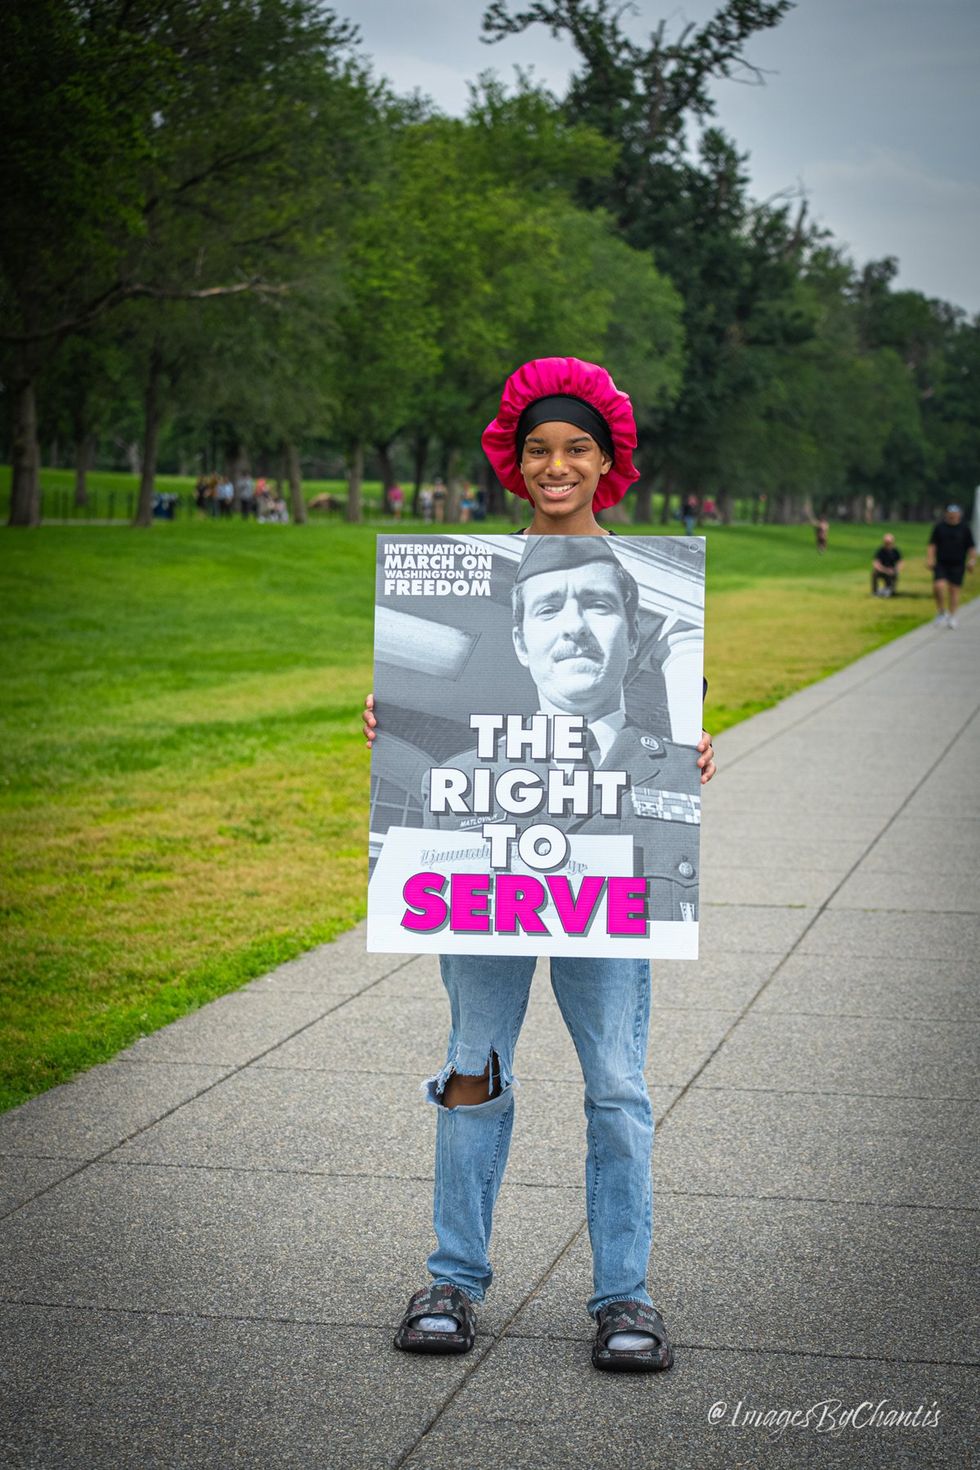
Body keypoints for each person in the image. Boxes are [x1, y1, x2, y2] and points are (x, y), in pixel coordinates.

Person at [362, 357, 716, 1374]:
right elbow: (420, 741)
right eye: (538, 451)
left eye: (575, 450)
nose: (555, 465)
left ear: (607, 462)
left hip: (609, 890)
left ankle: (624, 1296)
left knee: (615, 1082)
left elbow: (678, 728)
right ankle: (451, 1278)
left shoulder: (638, 576)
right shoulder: (477, 580)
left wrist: (690, 755)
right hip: (483, 882)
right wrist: (382, 718)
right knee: (473, 1068)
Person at [425, 535, 700, 921]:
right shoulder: (458, 780)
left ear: (634, 635)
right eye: (549, 609)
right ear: (521, 644)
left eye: (598, 605)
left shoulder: (684, 773)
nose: (574, 626)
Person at [927, 504, 976, 628]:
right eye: (950, 513)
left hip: (958, 564)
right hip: (942, 563)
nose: (952, 516)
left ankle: (952, 616)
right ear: (947, 514)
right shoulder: (940, 527)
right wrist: (930, 559)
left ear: (959, 514)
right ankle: (941, 611)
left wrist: (972, 561)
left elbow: (971, 547)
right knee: (938, 586)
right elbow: (932, 544)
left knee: (954, 591)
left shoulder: (965, 528)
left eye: (955, 514)